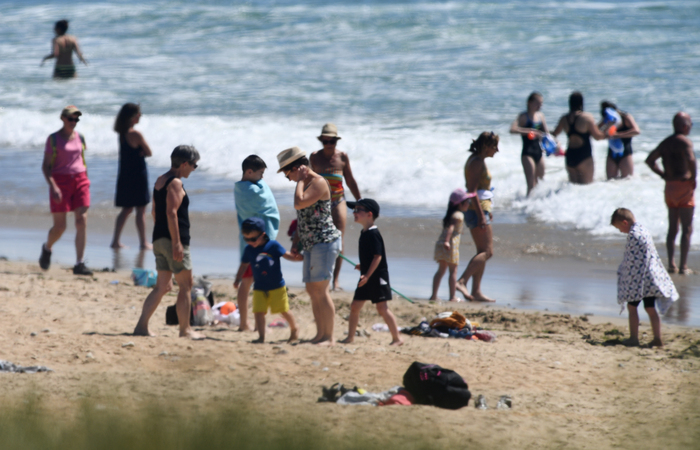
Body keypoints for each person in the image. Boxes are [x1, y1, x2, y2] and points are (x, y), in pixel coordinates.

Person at [133, 145, 204, 339]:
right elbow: (171, 213)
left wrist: (162, 236)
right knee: (186, 286)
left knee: (162, 286)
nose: (194, 169)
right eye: (194, 165)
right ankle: (185, 330)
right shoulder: (175, 183)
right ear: (184, 164)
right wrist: (176, 243)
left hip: (159, 238)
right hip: (173, 240)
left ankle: (141, 327)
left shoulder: (160, 180)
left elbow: (155, 211)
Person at [278, 146, 342, 345]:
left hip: (324, 241)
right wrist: (296, 242)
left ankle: (328, 337)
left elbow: (299, 203)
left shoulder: (318, 182)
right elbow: (303, 217)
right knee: (311, 290)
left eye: (287, 173)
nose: (288, 178)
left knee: (321, 290)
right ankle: (320, 334)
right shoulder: (304, 183)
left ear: (297, 168)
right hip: (311, 243)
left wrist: (299, 180)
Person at [611, 208, 678, 347]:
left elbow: (632, 262)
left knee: (632, 307)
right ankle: (657, 338)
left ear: (624, 222)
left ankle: (634, 338)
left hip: (639, 280)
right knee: (650, 308)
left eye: (619, 228)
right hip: (651, 278)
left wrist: (624, 275)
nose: (621, 232)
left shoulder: (634, 236)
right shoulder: (644, 231)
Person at [339, 199, 403, 346]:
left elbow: (378, 256)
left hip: (376, 277)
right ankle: (350, 337)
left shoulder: (373, 233)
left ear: (369, 214)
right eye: (353, 210)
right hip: (366, 276)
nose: (354, 213)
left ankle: (397, 339)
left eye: (357, 210)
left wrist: (367, 275)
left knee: (382, 308)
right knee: (355, 306)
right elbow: (371, 256)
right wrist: (363, 266)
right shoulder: (364, 232)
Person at [39, 105, 93, 276]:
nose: (73, 122)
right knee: (60, 226)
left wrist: (87, 179)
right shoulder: (53, 139)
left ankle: (79, 263)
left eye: (76, 119)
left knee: (81, 220)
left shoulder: (80, 137)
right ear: (63, 118)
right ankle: (47, 247)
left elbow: (82, 161)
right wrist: (53, 186)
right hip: (60, 181)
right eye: (70, 118)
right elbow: (46, 167)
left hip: (80, 180)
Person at [309, 123, 362, 291]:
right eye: (325, 141)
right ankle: (320, 276)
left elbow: (350, 180)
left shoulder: (342, 157)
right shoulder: (314, 157)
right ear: (321, 141)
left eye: (332, 141)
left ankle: (336, 281)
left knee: (338, 239)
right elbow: (309, 181)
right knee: (319, 239)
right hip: (319, 202)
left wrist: (360, 201)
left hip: (338, 200)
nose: (329, 144)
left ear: (336, 141)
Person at [233, 218, 301, 343]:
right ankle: (261, 337)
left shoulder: (273, 245)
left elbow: (287, 255)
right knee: (258, 312)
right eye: (246, 239)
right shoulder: (249, 249)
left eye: (253, 239)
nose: (250, 242)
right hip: (259, 286)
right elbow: (243, 265)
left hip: (277, 286)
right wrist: (238, 279)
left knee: (283, 310)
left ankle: (294, 328)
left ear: (263, 234)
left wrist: (301, 258)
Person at [233, 155, 281, 331]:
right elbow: (267, 205)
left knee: (251, 282)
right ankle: (247, 323)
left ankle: (245, 323)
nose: (262, 178)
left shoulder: (247, 187)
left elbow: (266, 200)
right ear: (249, 171)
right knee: (253, 283)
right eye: (260, 173)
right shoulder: (248, 190)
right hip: (255, 243)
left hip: (249, 242)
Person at [645, 112, 696, 274]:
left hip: (670, 187)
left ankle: (671, 264)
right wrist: (693, 177)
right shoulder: (685, 142)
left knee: (672, 227)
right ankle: (683, 266)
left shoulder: (666, 143)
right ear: (684, 126)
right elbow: (691, 160)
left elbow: (649, 160)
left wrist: (663, 174)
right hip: (683, 186)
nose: (691, 127)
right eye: (690, 124)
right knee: (687, 228)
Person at [456, 132, 499, 302]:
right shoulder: (476, 162)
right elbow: (472, 192)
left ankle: (476, 291)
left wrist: (487, 210)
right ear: (486, 146)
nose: (497, 150)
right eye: (495, 146)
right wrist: (482, 215)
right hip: (476, 210)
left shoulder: (478, 161)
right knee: (488, 252)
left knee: (482, 252)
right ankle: (462, 281)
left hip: (481, 209)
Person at [110, 103, 153, 250]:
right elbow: (149, 152)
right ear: (132, 117)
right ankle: (143, 242)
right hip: (137, 175)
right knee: (141, 209)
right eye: (138, 114)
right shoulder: (135, 134)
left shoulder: (122, 134)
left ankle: (115, 241)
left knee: (126, 209)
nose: (140, 116)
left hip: (125, 175)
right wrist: (142, 151)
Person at [551, 92, 606, 184]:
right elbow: (598, 136)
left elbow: (554, 133)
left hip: (570, 156)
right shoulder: (587, 117)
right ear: (581, 103)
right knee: (586, 187)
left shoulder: (564, 118)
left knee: (572, 188)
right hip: (584, 156)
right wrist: (608, 132)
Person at [430, 189, 473, 302]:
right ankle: (452, 296)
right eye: (467, 201)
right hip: (449, 244)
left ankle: (434, 295)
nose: (469, 203)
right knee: (453, 271)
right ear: (460, 204)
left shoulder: (451, 214)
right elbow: (451, 228)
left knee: (441, 270)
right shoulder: (458, 215)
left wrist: (444, 241)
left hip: (441, 243)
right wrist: (447, 241)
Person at [510, 92, 549, 195]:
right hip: (527, 153)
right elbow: (512, 129)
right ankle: (527, 207)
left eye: (541, 104)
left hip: (539, 152)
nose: (540, 106)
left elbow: (546, 134)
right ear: (529, 103)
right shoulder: (523, 116)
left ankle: (536, 205)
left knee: (540, 183)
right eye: (537, 103)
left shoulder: (541, 116)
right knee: (531, 184)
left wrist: (554, 145)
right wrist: (530, 131)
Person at [597, 101, 640, 180]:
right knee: (610, 182)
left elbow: (637, 131)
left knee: (627, 180)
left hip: (625, 153)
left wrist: (618, 135)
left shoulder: (626, 117)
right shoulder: (607, 119)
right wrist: (605, 130)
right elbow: (596, 132)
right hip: (611, 153)